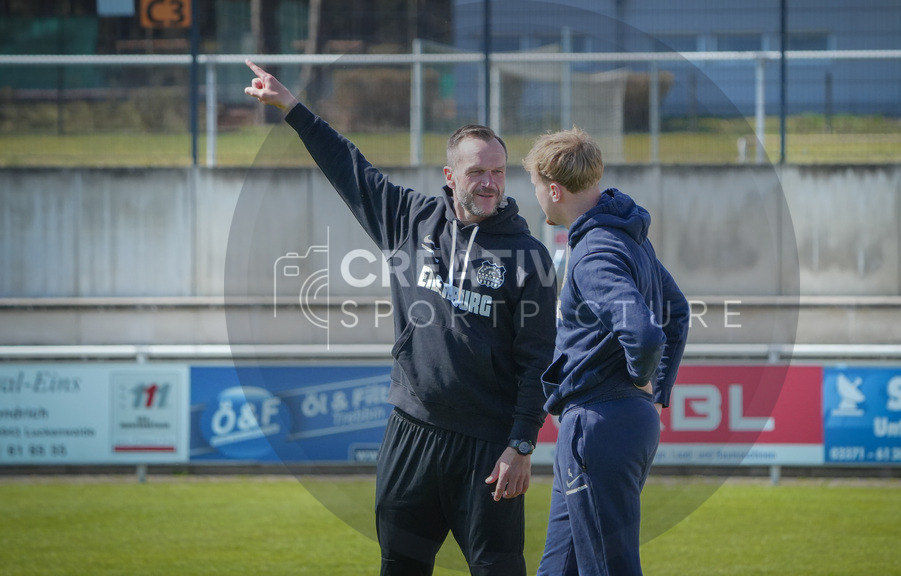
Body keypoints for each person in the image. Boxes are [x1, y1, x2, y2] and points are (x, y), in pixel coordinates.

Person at [244, 60, 557, 576]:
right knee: (400, 566)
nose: (489, 184)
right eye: (476, 172)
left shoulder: (528, 257)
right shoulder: (411, 220)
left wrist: (521, 445)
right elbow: (349, 166)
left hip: (488, 450)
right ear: (450, 175)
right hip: (412, 436)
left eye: (498, 171)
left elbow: (538, 361)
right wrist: (292, 109)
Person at [522, 127, 689, 576]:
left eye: (536, 187)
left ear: (553, 189)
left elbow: (646, 333)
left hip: (600, 423)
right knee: (559, 568)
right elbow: (677, 310)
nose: (537, 197)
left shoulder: (594, 249)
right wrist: (656, 391)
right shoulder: (626, 235)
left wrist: (642, 378)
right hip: (613, 421)